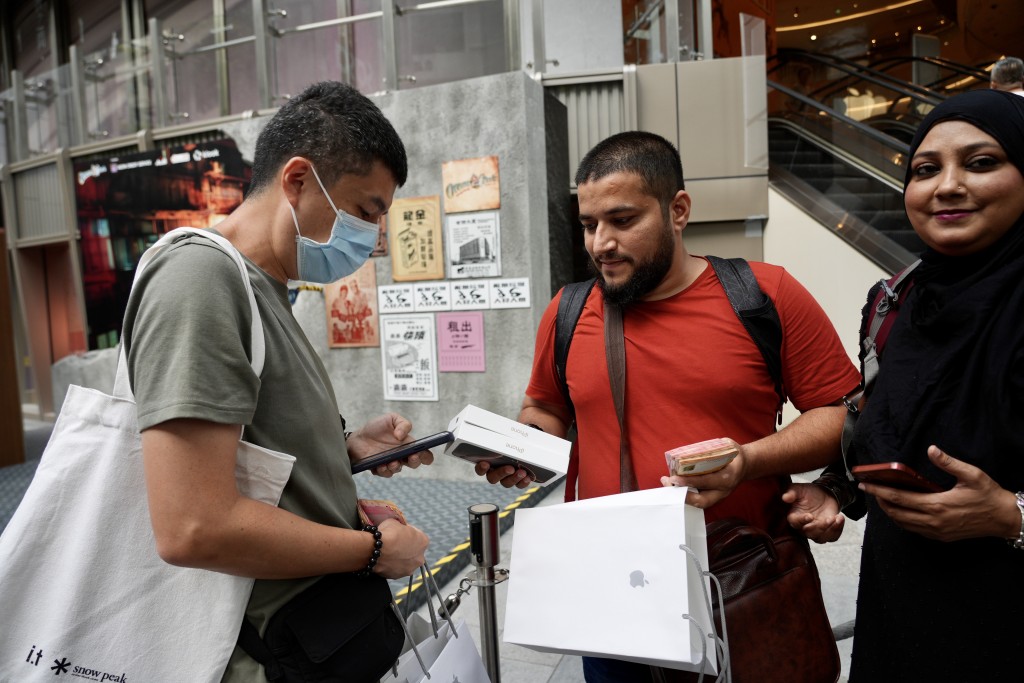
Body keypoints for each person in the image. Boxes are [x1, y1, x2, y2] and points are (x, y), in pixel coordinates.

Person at [478, 131, 860, 682]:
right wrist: (520, 446)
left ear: (677, 209)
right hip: (613, 590)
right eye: (589, 225)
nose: (600, 243)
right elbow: (545, 408)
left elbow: (841, 412)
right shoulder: (567, 311)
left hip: (741, 581)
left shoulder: (764, 295)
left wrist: (747, 461)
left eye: (622, 220)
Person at [122, 81, 431, 682]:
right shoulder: (200, 279)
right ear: (297, 180)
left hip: (314, 634)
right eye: (365, 212)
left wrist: (342, 452)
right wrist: (373, 551)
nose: (370, 239)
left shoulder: (264, 288)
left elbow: (241, 445)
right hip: (266, 649)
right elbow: (194, 526)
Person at [784, 89, 1024, 681]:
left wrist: (1011, 516)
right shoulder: (894, 302)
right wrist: (838, 490)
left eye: (982, 162)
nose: (946, 185)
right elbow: (883, 428)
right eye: (925, 169)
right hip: (904, 612)